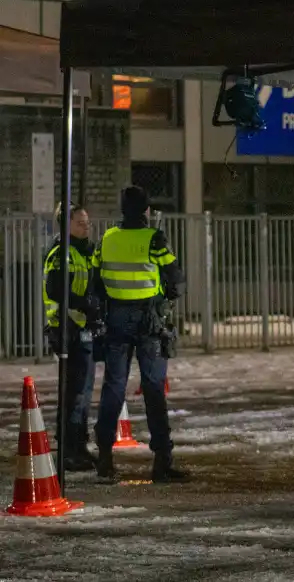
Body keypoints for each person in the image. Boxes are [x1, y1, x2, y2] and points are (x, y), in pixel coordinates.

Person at [92, 186, 188, 483]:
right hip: (149, 321)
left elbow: (96, 279)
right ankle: (162, 461)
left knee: (114, 387)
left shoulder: (108, 238)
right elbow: (175, 275)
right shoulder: (154, 238)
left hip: (117, 319)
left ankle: (105, 458)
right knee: (153, 388)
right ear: (146, 211)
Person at [43, 201, 101, 471]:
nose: (86, 226)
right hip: (67, 329)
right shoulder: (61, 254)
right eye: (80, 222)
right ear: (66, 225)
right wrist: (86, 303)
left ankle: (79, 445)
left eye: (87, 222)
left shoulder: (83, 253)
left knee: (84, 391)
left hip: (82, 328)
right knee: (74, 393)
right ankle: (67, 450)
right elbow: (57, 291)